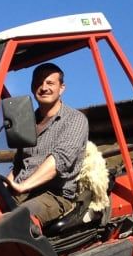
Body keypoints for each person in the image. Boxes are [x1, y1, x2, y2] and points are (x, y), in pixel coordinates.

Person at [7, 62, 88, 226]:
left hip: (54, 194)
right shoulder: (26, 123)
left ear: (61, 88)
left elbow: (59, 160)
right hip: (23, 191)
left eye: (50, 83)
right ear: (32, 87)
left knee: (17, 220)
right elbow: (18, 166)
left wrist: (23, 186)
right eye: (39, 83)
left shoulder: (74, 119)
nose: (44, 88)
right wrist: (3, 186)